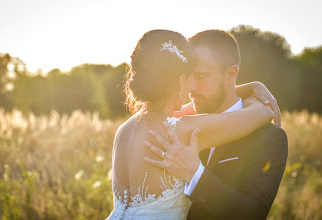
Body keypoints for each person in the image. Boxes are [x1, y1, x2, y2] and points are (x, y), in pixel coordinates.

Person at [107, 29, 276, 220]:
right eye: (190, 77)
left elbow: (186, 108)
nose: (192, 88)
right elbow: (263, 112)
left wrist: (245, 88)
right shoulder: (182, 130)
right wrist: (254, 88)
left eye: (200, 77)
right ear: (180, 81)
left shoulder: (124, 131)